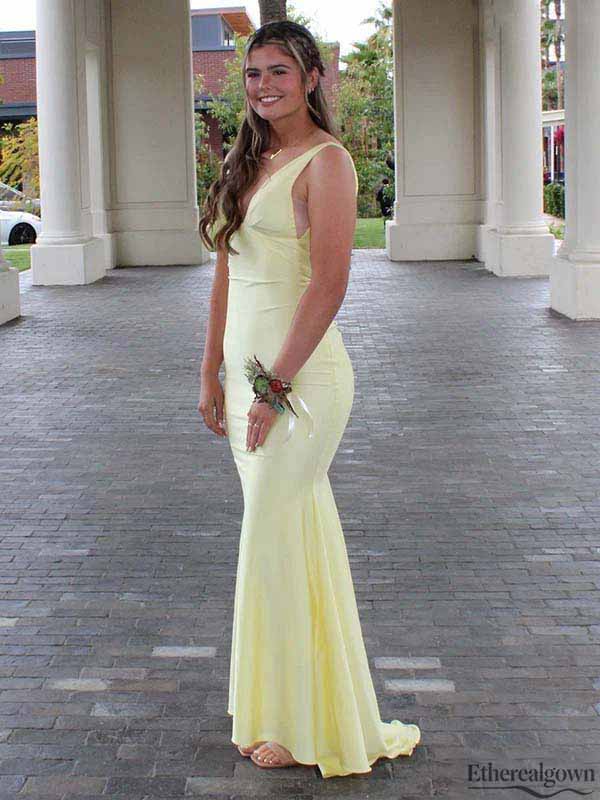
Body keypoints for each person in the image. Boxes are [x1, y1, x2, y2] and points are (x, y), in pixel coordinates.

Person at [197, 20, 421, 779]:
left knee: (270, 536)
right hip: (245, 378)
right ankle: (297, 704)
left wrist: (271, 389)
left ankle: (295, 724)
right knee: (293, 540)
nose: (263, 86)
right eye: (254, 73)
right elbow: (227, 275)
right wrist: (209, 373)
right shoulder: (251, 160)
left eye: (279, 73)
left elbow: (328, 287)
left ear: (314, 78)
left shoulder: (328, 165)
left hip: (299, 382)